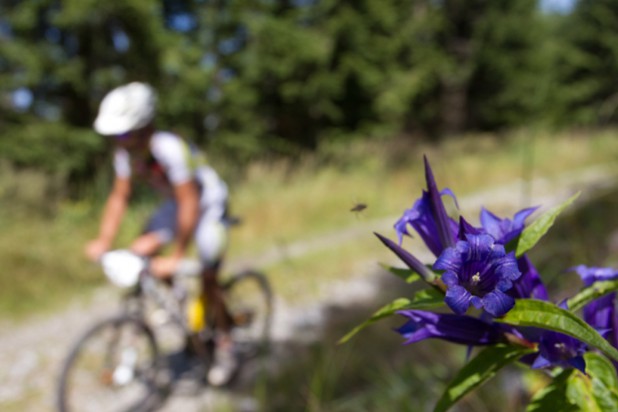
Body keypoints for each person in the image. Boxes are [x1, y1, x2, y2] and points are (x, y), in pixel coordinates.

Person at [85, 82, 237, 386]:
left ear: (147, 126)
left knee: (208, 274)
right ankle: (184, 311)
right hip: (176, 205)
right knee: (139, 251)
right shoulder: (125, 155)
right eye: (116, 137)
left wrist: (177, 256)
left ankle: (224, 342)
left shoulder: (169, 148)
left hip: (207, 203)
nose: (121, 142)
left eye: (126, 134)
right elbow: (119, 197)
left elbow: (190, 201)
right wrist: (103, 241)